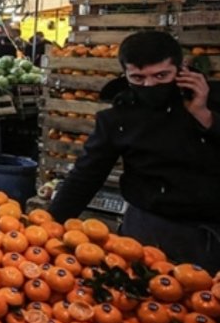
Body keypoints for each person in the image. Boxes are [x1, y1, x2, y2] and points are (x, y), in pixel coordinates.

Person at [49, 31, 220, 270]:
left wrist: (204, 116)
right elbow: (86, 176)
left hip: (208, 231)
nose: (150, 85)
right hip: (146, 228)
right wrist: (49, 226)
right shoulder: (117, 118)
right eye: (138, 78)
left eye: (161, 75)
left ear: (181, 69)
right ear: (125, 74)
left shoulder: (212, 101)